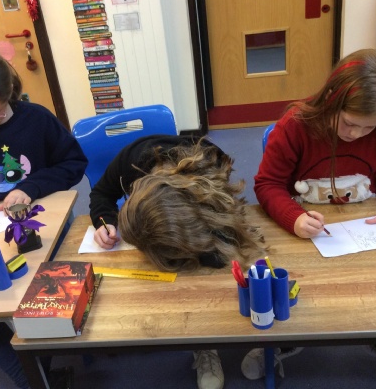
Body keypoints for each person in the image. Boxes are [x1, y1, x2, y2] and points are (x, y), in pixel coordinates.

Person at [243, 48, 376, 381]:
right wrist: (292, 217)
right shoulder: (296, 126)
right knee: (295, 291)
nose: (355, 134)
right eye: (349, 123)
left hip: (363, 231)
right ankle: (281, 341)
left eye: (369, 128)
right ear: (332, 98)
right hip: (306, 233)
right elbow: (267, 184)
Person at [89, 134, 267, 389]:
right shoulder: (129, 163)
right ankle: (201, 345)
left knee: (215, 265)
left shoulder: (212, 165)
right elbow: (101, 194)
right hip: (171, 221)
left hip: (201, 211)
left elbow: (226, 227)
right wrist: (104, 221)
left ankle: (206, 342)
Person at [0, 49, 87, 388]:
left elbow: (73, 164)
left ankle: (46, 360)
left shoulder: (36, 120)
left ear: (9, 96)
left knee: (45, 292)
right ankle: (34, 376)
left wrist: (30, 187)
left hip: (42, 221)